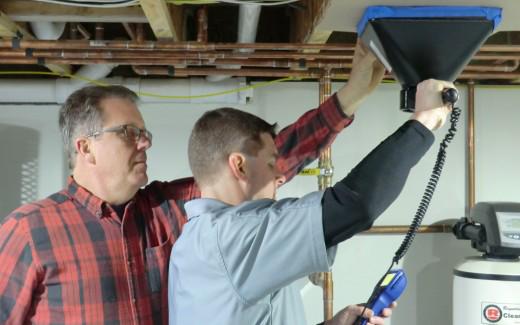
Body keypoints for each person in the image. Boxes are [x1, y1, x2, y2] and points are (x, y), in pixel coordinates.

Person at [0, 42, 385, 324]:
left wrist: (348, 98)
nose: (146, 141)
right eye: (129, 132)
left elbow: (263, 162)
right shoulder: (30, 230)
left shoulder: (168, 210)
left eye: (145, 132)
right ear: (86, 147)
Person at [168, 78, 455, 325]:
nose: (281, 176)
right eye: (271, 163)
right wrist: (425, 121)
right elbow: (355, 205)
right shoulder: (232, 238)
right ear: (239, 166)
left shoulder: (199, 241)